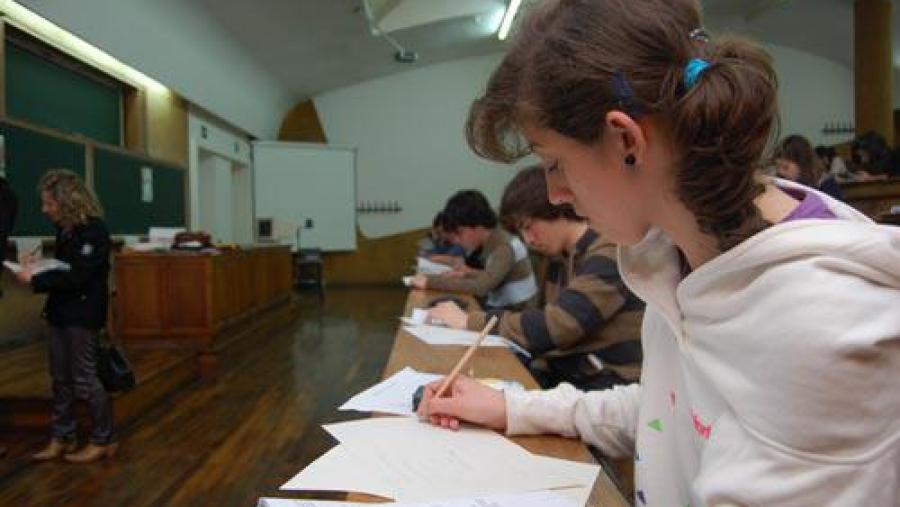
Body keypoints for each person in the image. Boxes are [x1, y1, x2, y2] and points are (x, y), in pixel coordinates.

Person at [417, 1, 900, 505]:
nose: (555, 193)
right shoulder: (675, 255)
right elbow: (666, 408)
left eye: (554, 163)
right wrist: (512, 409)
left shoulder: (822, 325)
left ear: (626, 139)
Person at [429, 166, 643, 390]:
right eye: (522, 232)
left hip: (611, 384)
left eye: (529, 227)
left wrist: (469, 321)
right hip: (575, 373)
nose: (528, 240)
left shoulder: (608, 250)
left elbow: (557, 326)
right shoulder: (558, 258)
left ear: (555, 208)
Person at [14, 169, 117, 463]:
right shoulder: (66, 230)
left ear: (68, 201)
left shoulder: (94, 231)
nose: (44, 209)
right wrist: (39, 264)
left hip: (83, 315)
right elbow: (63, 266)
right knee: (60, 379)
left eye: (49, 203)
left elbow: (78, 276)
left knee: (84, 378)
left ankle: (103, 438)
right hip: (60, 312)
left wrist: (34, 279)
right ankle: (63, 437)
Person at [411, 190, 537, 311]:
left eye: (459, 233)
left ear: (477, 226)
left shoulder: (503, 246)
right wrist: (467, 273)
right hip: (504, 309)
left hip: (517, 314)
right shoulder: (493, 240)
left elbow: (482, 287)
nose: (457, 241)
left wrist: (430, 281)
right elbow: (491, 276)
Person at [774, 134, 844, 200]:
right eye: (777, 167)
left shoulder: (826, 184)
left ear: (802, 164)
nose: (780, 172)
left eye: (785, 167)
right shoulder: (781, 185)